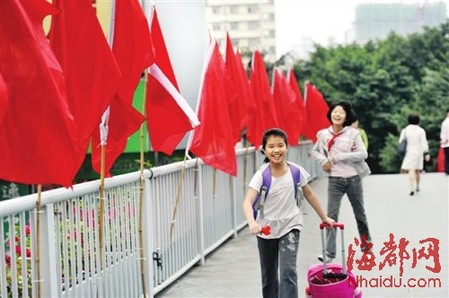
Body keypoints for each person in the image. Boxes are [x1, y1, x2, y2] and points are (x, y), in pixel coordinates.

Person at [242, 128, 334, 298]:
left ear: (286, 147)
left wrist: (324, 217)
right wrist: (252, 223)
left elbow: (309, 194)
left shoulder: (295, 171)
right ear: (264, 150)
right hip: (265, 229)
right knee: (268, 276)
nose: (276, 150)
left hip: (290, 225)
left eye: (280, 145)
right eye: (271, 146)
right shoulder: (261, 175)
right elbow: (247, 202)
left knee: (287, 272)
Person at [311, 101, 372, 263]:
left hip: (353, 179)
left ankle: (366, 244)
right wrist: (324, 161)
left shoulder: (353, 134)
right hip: (335, 180)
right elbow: (315, 151)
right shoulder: (323, 134)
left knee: (360, 214)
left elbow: (362, 154)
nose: (337, 115)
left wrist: (339, 157)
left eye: (341, 113)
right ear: (331, 114)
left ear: (347, 117)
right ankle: (329, 253)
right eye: (334, 112)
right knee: (331, 216)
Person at [399, 113, 431, 195]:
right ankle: (417, 186)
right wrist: (426, 153)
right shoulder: (421, 130)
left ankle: (412, 187)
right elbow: (424, 142)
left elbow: (401, 141)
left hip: (409, 151)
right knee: (417, 170)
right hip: (419, 151)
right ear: (418, 121)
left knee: (411, 169)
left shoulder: (405, 130)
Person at [440, 108, 449, 174]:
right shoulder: (446, 122)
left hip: (446, 142)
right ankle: (447, 169)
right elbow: (443, 132)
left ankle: (447, 169)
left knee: (447, 156)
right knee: (447, 156)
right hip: (447, 142)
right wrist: (444, 140)